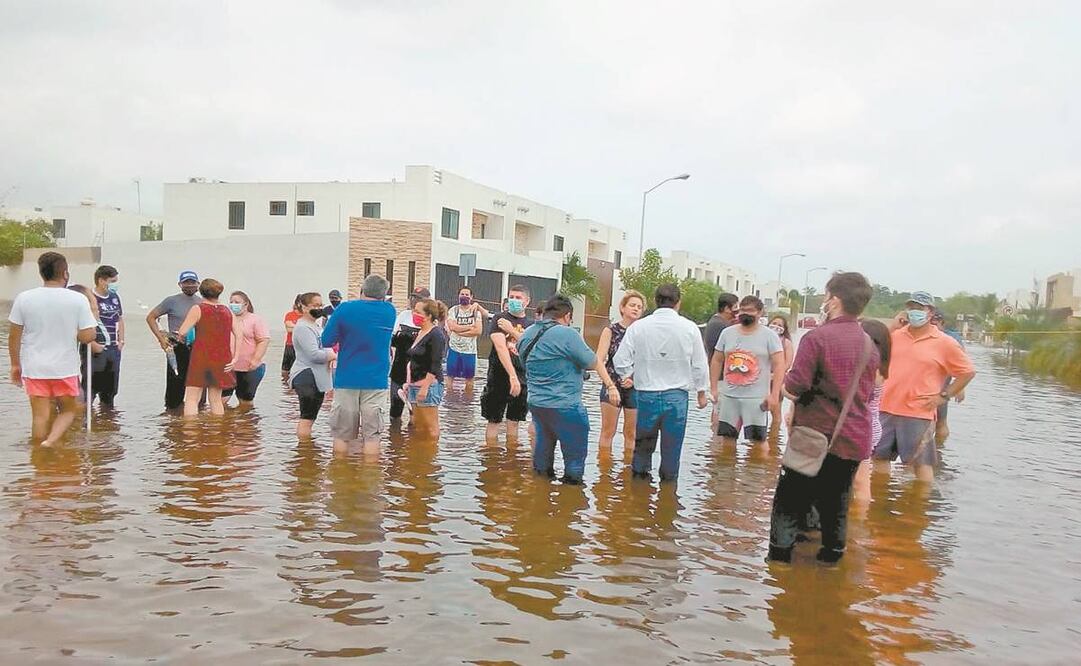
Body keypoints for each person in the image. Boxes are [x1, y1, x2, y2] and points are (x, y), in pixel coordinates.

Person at [767, 272, 880, 564]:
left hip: (814, 437)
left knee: (789, 506)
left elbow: (795, 387)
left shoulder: (817, 338)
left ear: (834, 300)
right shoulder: (869, 344)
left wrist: (782, 385)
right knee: (837, 507)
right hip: (854, 439)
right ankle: (830, 568)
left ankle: (779, 572)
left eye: (827, 296)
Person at [874, 291, 976, 482]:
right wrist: (892, 326)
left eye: (919, 308)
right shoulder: (895, 336)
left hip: (918, 412)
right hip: (885, 408)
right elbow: (873, 347)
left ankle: (919, 508)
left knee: (922, 464)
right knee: (879, 458)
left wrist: (944, 396)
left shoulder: (945, 343)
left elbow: (967, 372)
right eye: (911, 308)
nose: (914, 312)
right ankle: (880, 505)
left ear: (930, 312)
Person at [613, 283, 710, 482]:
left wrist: (629, 375)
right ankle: (667, 500)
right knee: (672, 451)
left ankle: (638, 500)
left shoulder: (639, 327)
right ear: (678, 303)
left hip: (646, 395)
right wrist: (702, 391)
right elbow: (700, 364)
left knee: (642, 450)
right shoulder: (690, 328)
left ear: (656, 301)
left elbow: (620, 360)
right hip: (676, 398)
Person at [7, 252, 98, 446]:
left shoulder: (24, 298)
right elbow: (88, 336)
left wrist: (15, 365)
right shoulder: (77, 300)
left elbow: (14, 336)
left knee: (39, 417)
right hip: (65, 368)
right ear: (65, 273)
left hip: (35, 368)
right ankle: (50, 442)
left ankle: (38, 458)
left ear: (42, 273)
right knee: (69, 410)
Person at [518, 295, 600, 484]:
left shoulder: (527, 334)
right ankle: (570, 505)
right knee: (574, 461)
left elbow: (525, 364)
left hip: (537, 405)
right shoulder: (567, 334)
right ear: (567, 316)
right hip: (566, 405)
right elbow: (591, 362)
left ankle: (539, 499)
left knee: (542, 457)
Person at [322, 274, 397, 454]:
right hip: (376, 380)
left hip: (347, 378)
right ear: (384, 294)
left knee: (342, 435)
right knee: (372, 436)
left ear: (362, 290)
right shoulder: (390, 311)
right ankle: (371, 478)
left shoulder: (345, 309)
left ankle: (340, 477)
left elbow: (326, 340)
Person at [710, 296, 784, 450]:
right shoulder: (727, 333)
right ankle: (727, 472)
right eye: (742, 310)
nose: (745, 314)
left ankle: (758, 473)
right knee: (727, 440)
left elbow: (779, 364)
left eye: (750, 311)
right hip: (730, 397)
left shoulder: (770, 336)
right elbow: (717, 360)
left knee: (759, 443)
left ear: (760, 312)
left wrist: (774, 395)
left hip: (756, 399)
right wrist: (714, 388)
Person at [177, 278, 241, 417]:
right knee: (216, 400)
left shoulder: (198, 308)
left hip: (201, 356)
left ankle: (191, 433)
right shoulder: (227, 311)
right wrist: (235, 357)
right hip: (223, 358)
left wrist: (181, 337)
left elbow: (182, 331)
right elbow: (238, 333)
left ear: (202, 292)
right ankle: (216, 433)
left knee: (192, 399)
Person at [594, 290, 646, 452]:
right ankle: (604, 473)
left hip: (635, 387)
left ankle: (628, 471)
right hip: (612, 384)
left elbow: (648, 362)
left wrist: (634, 378)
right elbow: (598, 361)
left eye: (639, 307)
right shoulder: (610, 331)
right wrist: (610, 386)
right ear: (622, 308)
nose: (636, 309)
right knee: (608, 432)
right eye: (632, 305)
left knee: (632, 433)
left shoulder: (643, 333)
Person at [481, 284, 532, 441]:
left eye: (518, 298)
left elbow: (531, 348)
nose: (514, 300)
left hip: (522, 376)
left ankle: (511, 460)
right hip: (499, 376)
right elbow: (501, 347)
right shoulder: (499, 319)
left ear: (527, 301)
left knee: (514, 422)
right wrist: (512, 376)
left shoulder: (531, 325)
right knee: (494, 421)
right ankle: (491, 460)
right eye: (511, 297)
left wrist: (511, 331)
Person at [146, 270, 202, 410]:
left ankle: (197, 418)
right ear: (180, 284)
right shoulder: (171, 301)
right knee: (175, 384)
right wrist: (161, 339)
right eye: (186, 283)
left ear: (198, 284)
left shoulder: (202, 303)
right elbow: (151, 317)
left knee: (197, 386)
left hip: (197, 347)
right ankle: (172, 417)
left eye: (192, 283)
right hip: (177, 347)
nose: (189, 286)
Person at [851, 318, 892, 504]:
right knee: (859, 480)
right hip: (868, 427)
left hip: (861, 428)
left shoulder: (872, 370)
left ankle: (859, 522)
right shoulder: (880, 367)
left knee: (860, 481)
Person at [290, 292, 337, 438]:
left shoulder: (315, 326)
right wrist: (333, 355)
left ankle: (308, 452)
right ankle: (304, 453)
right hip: (306, 375)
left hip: (317, 377)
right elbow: (314, 354)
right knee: (307, 417)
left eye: (320, 305)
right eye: (314, 305)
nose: (319, 308)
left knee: (311, 418)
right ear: (304, 307)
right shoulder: (303, 327)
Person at [405, 298, 449, 439]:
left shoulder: (436, 335)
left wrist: (425, 387)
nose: (414, 314)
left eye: (418, 312)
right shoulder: (420, 333)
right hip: (415, 384)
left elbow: (436, 363)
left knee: (430, 428)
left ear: (428, 316)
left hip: (428, 386)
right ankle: (420, 456)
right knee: (418, 426)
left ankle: (431, 457)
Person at [219, 291, 269, 407]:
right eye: (231, 302)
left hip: (249, 367)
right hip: (227, 367)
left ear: (246, 304)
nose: (233, 304)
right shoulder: (225, 319)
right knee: (220, 401)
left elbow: (263, 340)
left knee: (245, 402)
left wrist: (256, 359)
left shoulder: (255, 320)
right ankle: (223, 424)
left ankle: (245, 425)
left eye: (237, 302)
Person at [389, 286, 428, 423]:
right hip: (399, 369)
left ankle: (413, 441)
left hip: (419, 373)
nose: (414, 301)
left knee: (415, 414)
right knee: (395, 411)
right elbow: (392, 340)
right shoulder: (403, 316)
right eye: (413, 297)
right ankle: (395, 440)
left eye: (418, 299)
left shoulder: (430, 321)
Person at [67, 285, 109, 404]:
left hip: (43, 371)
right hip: (65, 372)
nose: (97, 307)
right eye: (93, 303)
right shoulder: (77, 324)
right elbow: (89, 337)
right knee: (77, 404)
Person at [90, 264, 124, 407]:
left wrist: (121, 340)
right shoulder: (90, 298)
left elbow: (120, 318)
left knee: (110, 391)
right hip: (96, 349)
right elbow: (81, 325)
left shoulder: (115, 297)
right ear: (101, 280)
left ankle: (106, 422)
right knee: (90, 389)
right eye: (112, 282)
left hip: (114, 349)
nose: (114, 285)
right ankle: (85, 422)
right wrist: (93, 344)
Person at [931, 308, 965, 445]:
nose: (933, 327)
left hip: (942, 383)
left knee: (941, 421)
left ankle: (939, 449)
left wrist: (960, 387)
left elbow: (962, 365)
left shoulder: (951, 338)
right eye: (930, 323)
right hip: (925, 381)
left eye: (935, 323)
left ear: (942, 323)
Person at [445, 286, 488, 391]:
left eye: (467, 294)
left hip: (470, 351)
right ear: (458, 296)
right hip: (454, 349)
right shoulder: (453, 310)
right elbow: (452, 327)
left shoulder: (475, 312)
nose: (464, 296)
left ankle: (467, 401)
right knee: (450, 377)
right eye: (462, 294)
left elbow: (478, 331)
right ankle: (450, 400)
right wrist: (469, 327)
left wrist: (459, 331)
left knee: (469, 379)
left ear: (471, 297)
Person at [766, 314, 796, 440]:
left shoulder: (786, 343)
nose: (776, 327)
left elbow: (788, 363)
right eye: (774, 324)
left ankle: (774, 439)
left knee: (776, 412)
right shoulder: (763, 338)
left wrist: (775, 375)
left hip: (776, 380)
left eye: (780, 325)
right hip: (761, 379)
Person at [281, 294, 302, 377]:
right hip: (290, 345)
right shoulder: (290, 314)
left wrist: (295, 326)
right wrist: (302, 327)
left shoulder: (306, 316)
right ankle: (285, 388)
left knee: (297, 370)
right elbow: (288, 328)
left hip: (301, 346)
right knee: (285, 370)